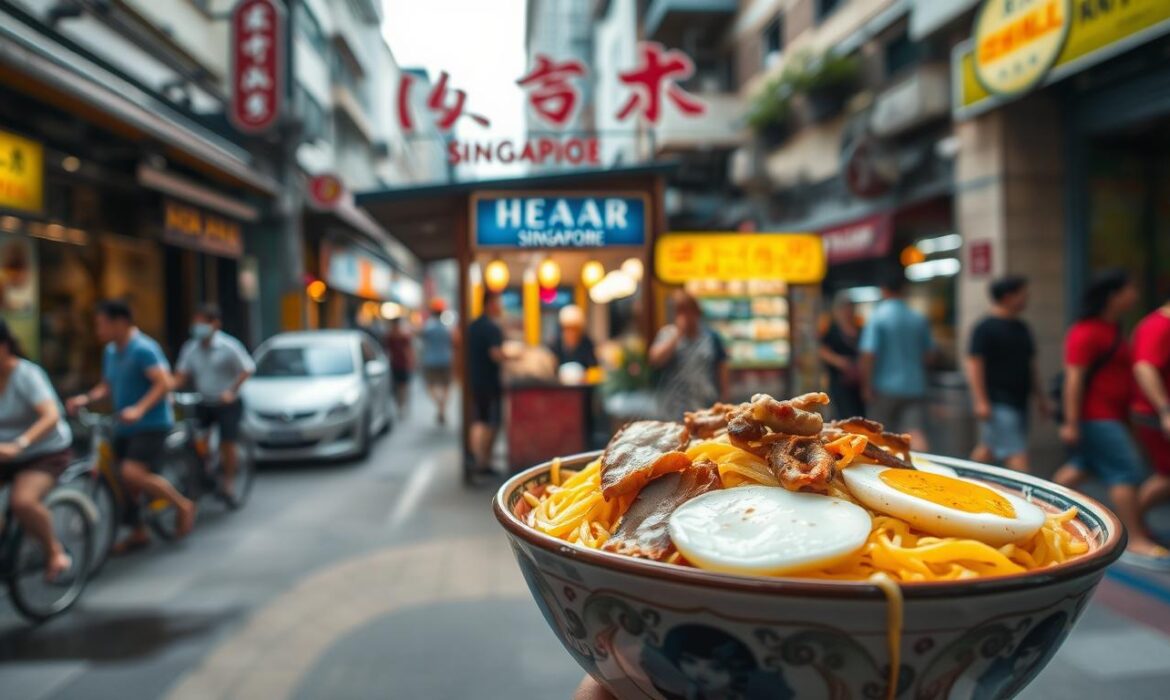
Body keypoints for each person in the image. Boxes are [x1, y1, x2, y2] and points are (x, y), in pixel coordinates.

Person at [1052, 270, 1169, 568]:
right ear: (1113, 295)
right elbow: (1074, 380)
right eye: (1130, 289)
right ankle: (1135, 540)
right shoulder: (1086, 331)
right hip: (1096, 416)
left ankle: (1046, 514)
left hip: (1111, 416)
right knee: (1126, 471)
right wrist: (1071, 422)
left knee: (1081, 467)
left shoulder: (1113, 328)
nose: (1135, 296)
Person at [66, 300, 195, 550]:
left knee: (131, 473)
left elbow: (163, 383)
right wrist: (85, 398)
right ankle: (138, 531)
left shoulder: (144, 349)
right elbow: (107, 386)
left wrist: (139, 409)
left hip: (152, 423)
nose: (98, 330)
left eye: (102, 324)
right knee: (121, 480)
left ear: (120, 322)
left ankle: (183, 505)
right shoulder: (111, 352)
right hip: (123, 425)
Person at [0, 319, 74, 580]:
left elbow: (51, 415)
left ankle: (54, 551)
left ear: (4, 346)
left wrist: (20, 443)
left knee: (22, 501)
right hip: (4, 453)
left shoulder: (27, 375)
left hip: (44, 451)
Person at [966, 276, 1051, 472]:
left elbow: (1030, 366)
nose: (1027, 298)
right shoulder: (985, 328)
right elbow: (974, 364)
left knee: (988, 449)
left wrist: (1040, 398)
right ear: (1007, 297)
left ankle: (962, 481)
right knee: (1017, 455)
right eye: (1022, 294)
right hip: (998, 401)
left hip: (1019, 400)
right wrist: (980, 400)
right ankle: (1024, 498)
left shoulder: (1022, 327)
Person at [172, 303, 255, 497]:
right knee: (198, 441)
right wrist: (168, 390)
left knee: (227, 442)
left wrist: (231, 391)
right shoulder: (191, 348)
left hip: (227, 403)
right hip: (204, 401)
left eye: (202, 323)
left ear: (215, 324)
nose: (197, 328)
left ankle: (229, 481)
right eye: (196, 323)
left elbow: (247, 369)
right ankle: (205, 472)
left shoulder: (229, 346)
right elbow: (180, 375)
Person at [859, 269, 936, 450]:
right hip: (915, 386)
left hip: (884, 388)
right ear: (904, 289)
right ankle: (921, 473)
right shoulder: (918, 318)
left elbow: (868, 354)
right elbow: (930, 355)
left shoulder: (878, 317)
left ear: (883, 289)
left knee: (878, 434)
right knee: (915, 432)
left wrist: (866, 386)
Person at [649, 290, 728, 421]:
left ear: (696, 312)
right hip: (674, 406)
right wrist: (678, 335)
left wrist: (724, 396)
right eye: (680, 312)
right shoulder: (667, 334)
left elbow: (722, 366)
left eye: (688, 311)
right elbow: (655, 360)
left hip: (705, 403)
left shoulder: (711, 337)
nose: (685, 316)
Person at [1131, 294, 1170, 518]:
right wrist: (1165, 411)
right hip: (1154, 415)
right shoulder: (1159, 326)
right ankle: (1131, 525)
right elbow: (1144, 367)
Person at [467, 291, 506, 475]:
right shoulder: (492, 328)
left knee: (479, 420)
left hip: (475, 380)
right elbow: (495, 354)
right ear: (490, 303)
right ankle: (483, 462)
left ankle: (477, 459)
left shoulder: (474, 326)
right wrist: (511, 356)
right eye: (499, 302)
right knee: (490, 423)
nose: (501, 306)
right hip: (489, 382)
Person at [818, 293, 864, 419]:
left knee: (860, 414)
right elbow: (822, 350)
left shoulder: (861, 328)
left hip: (859, 381)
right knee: (844, 415)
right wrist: (839, 361)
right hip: (839, 382)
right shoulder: (832, 329)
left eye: (850, 308)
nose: (848, 311)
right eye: (845, 308)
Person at [419, 298, 454, 426]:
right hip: (446, 359)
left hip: (431, 360)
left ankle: (440, 407)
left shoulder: (428, 327)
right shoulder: (447, 327)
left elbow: (421, 339)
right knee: (446, 387)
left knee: (430, 386)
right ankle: (442, 409)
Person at [385, 317, 414, 413]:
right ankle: (401, 404)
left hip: (400, 363)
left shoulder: (394, 336)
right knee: (400, 386)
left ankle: (401, 404)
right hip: (398, 363)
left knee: (401, 386)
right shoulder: (394, 336)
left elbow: (408, 350)